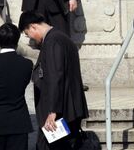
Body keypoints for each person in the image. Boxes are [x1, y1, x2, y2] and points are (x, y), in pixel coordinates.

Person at [18, 11, 88, 150]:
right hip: (68, 108)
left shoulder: (52, 41)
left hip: (61, 112)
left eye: (28, 34)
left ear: (33, 27)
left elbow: (56, 76)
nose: (30, 38)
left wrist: (52, 111)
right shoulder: (61, 38)